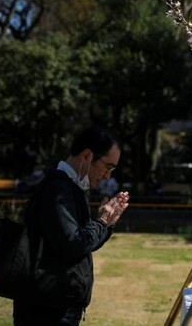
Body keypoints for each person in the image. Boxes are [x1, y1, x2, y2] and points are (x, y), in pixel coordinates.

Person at [12, 126, 130, 326]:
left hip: (58, 305)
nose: (107, 176)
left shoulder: (71, 189)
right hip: (46, 310)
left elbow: (83, 245)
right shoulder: (57, 189)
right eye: (107, 167)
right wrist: (101, 222)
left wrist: (106, 224)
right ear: (87, 156)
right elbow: (73, 244)